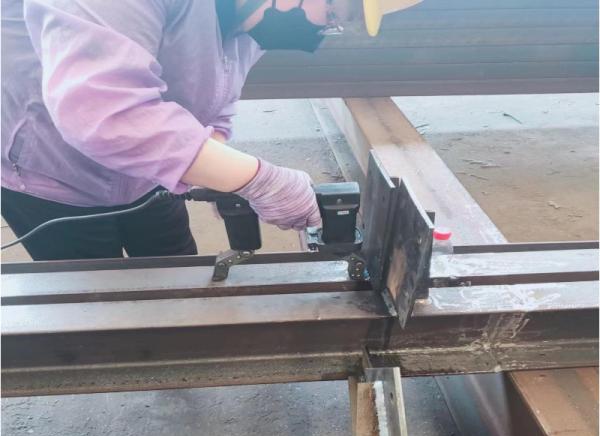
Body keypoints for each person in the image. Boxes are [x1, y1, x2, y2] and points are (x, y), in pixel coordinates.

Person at [1, 0, 421, 260]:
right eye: (332, 13)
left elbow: (218, 98)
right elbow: (103, 113)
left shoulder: (247, 18)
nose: (321, 30)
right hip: (52, 178)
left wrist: (219, 169)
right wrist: (259, 179)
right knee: (96, 298)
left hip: (150, 175)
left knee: (175, 269)